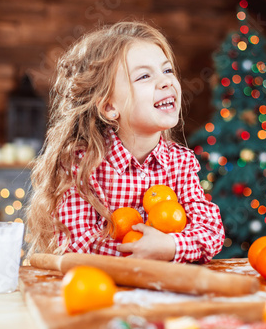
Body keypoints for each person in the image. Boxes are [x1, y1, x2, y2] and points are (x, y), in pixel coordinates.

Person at [27, 21, 225, 263]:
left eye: (167, 70)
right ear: (109, 106)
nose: (166, 82)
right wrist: (138, 252)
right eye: (144, 76)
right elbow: (77, 245)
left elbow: (211, 231)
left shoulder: (181, 163)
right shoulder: (80, 165)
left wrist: (171, 246)